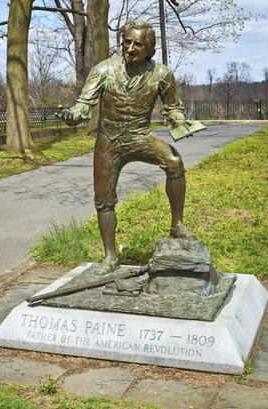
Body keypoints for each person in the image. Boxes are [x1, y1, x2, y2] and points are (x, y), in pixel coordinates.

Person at [57, 18, 192, 275]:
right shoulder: (104, 71)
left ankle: (177, 225)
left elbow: (173, 107)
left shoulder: (161, 74)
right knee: (103, 198)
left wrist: (179, 120)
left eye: (137, 44)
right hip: (109, 141)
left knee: (174, 162)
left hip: (140, 136)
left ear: (149, 48)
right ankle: (110, 257)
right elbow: (84, 104)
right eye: (127, 42)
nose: (130, 48)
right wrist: (74, 115)